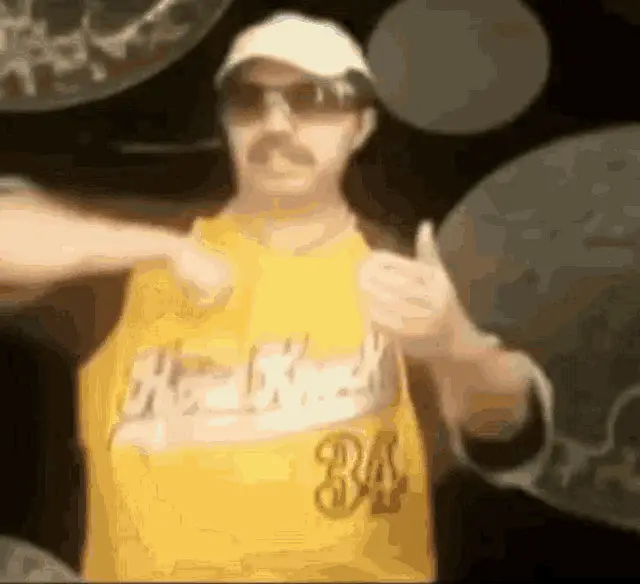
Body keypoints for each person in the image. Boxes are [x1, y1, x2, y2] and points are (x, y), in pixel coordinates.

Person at [0, 12, 553, 582]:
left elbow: (510, 438)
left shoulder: (405, 276)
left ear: (361, 125)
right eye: (249, 101)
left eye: (312, 99)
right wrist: (161, 247)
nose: (276, 123)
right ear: (226, 122)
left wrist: (453, 344)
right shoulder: (141, 267)